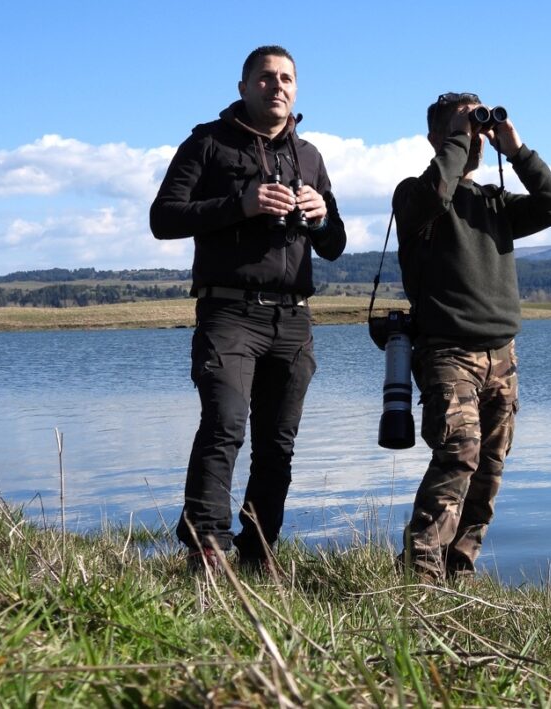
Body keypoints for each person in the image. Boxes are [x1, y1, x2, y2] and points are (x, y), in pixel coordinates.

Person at [150, 45, 346, 573]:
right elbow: (164, 217)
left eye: (286, 78)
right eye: (265, 78)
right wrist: (242, 204)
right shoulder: (207, 144)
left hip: (294, 319)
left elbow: (334, 245)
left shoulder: (310, 157)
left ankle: (260, 551)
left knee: (277, 443)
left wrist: (323, 215)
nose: (276, 86)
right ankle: (208, 550)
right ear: (243, 87)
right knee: (225, 424)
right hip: (229, 314)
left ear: (296, 90)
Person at [392, 92, 551, 581]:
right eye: (460, 126)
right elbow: (434, 194)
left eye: (477, 124)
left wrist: (517, 150)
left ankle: (459, 569)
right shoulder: (413, 195)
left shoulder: (495, 202)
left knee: (488, 470)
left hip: (503, 356)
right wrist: (458, 139)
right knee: (457, 455)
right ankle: (420, 573)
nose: (473, 134)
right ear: (436, 138)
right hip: (448, 352)